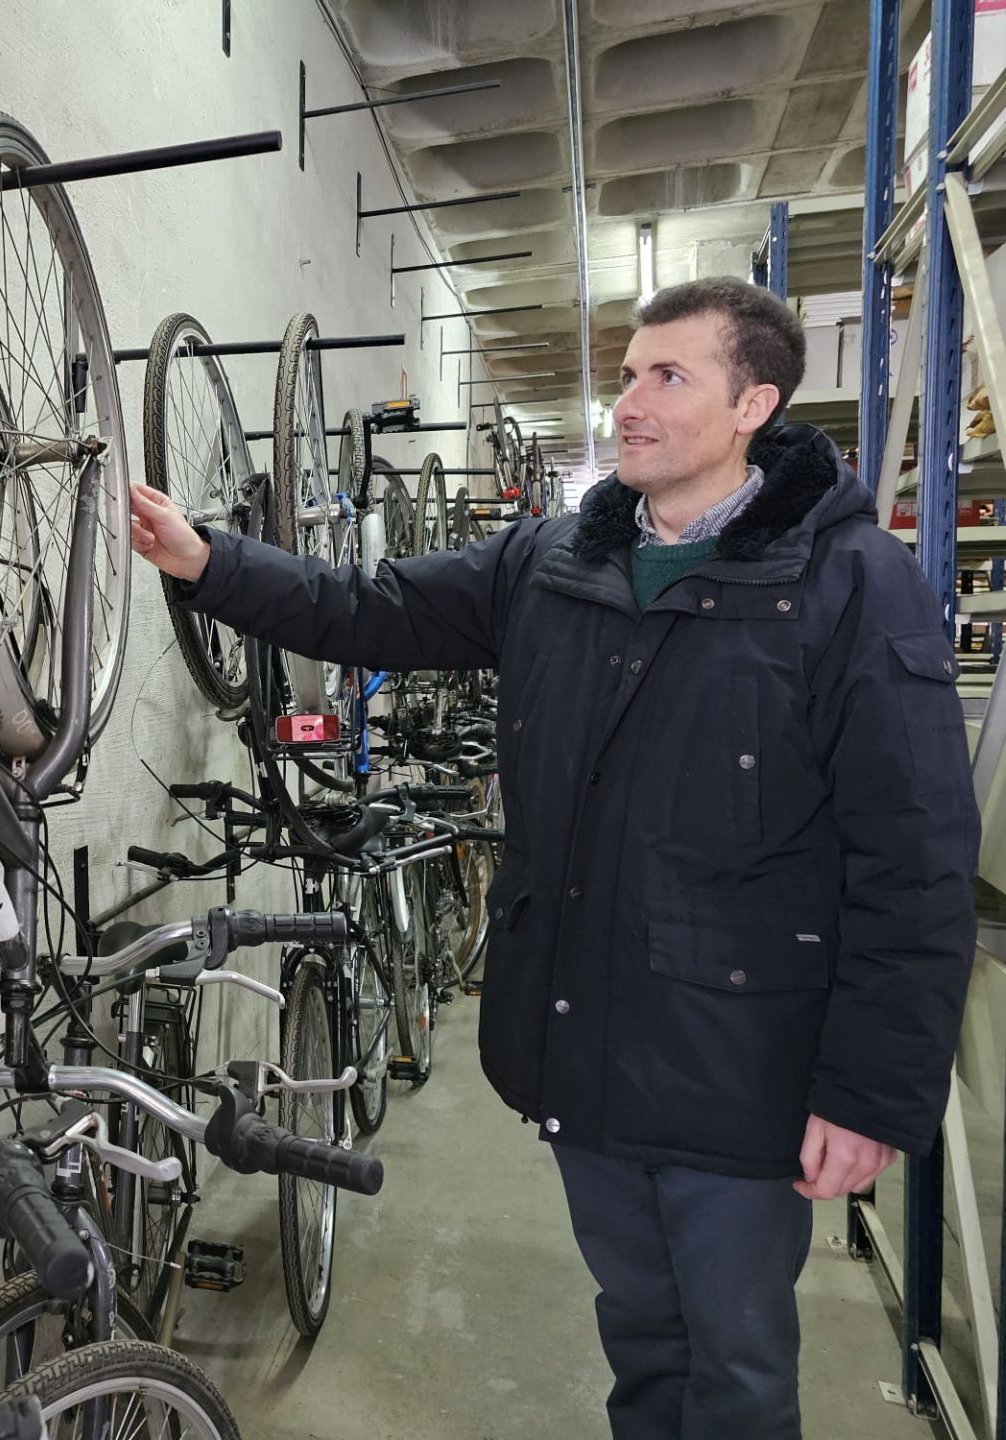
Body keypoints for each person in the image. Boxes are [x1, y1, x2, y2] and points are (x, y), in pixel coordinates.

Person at [128, 276, 979, 1439]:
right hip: (586, 1045)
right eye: (627, 373)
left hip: (745, 1068)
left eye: (667, 376)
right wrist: (209, 563)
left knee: (735, 1368)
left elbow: (916, 859)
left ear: (753, 405)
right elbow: (364, 605)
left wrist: (872, 1090)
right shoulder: (553, 562)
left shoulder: (846, 583)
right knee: (639, 1343)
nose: (629, 399)